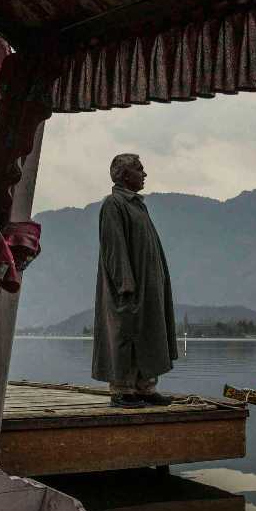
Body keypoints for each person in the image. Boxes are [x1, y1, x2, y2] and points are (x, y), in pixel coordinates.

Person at [92, 153, 178, 408]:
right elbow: (114, 248)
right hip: (129, 288)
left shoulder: (138, 205)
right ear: (124, 174)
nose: (145, 174)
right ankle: (122, 390)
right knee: (125, 335)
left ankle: (145, 387)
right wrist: (124, 284)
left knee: (150, 332)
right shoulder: (113, 205)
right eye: (140, 169)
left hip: (148, 287)